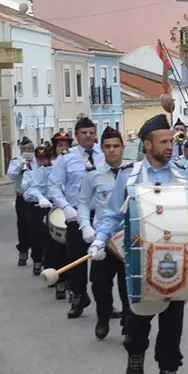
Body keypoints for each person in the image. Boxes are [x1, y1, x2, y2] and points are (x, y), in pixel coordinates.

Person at [90, 114, 188, 374]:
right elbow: (110, 214)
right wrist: (99, 239)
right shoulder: (129, 177)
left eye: (172, 141)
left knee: (172, 320)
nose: (171, 146)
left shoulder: (180, 175)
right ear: (147, 145)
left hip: (176, 258)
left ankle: (168, 372)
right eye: (165, 142)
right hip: (141, 259)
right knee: (138, 317)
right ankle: (135, 353)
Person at [78, 127, 131, 340]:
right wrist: (86, 227)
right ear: (102, 149)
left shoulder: (133, 172)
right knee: (100, 285)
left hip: (128, 238)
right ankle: (103, 316)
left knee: (129, 287)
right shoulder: (93, 175)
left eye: (116, 146)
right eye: (108, 146)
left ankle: (129, 324)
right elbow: (82, 203)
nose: (112, 150)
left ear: (122, 147)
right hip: (103, 239)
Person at [49, 118, 100, 319]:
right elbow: (54, 186)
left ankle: (105, 302)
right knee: (77, 259)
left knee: (102, 262)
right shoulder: (66, 158)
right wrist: (66, 208)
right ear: (77, 135)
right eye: (84, 132)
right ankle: (79, 296)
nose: (88, 136)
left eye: (91, 132)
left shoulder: (103, 154)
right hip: (77, 215)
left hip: (100, 215)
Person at [21, 145, 57, 279]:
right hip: (35, 206)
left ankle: (48, 263)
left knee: (51, 237)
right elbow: (27, 192)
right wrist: (39, 197)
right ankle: (37, 260)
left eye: (45, 158)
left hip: (52, 206)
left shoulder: (54, 170)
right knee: (35, 234)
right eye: (40, 158)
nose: (43, 161)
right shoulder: (30, 171)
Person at [7, 138, 37, 267]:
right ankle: (23, 251)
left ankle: (37, 256)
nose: (27, 152)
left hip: (36, 198)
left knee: (36, 227)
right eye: (25, 149)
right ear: (21, 150)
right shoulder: (16, 161)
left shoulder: (38, 161)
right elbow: (11, 176)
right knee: (23, 225)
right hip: (22, 197)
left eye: (30, 149)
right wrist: (21, 166)